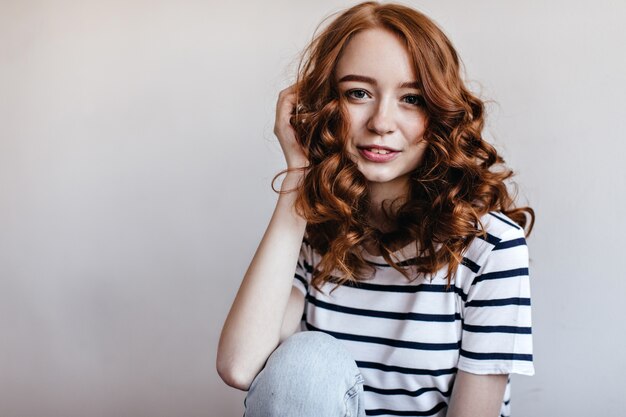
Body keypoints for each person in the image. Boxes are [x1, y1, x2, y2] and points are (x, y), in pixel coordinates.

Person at [217, 2, 535, 416]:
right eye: (358, 93)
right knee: (307, 362)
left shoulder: (491, 249)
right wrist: (299, 172)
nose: (381, 121)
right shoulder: (313, 231)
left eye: (412, 98)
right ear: (326, 106)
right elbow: (240, 367)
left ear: (439, 113)